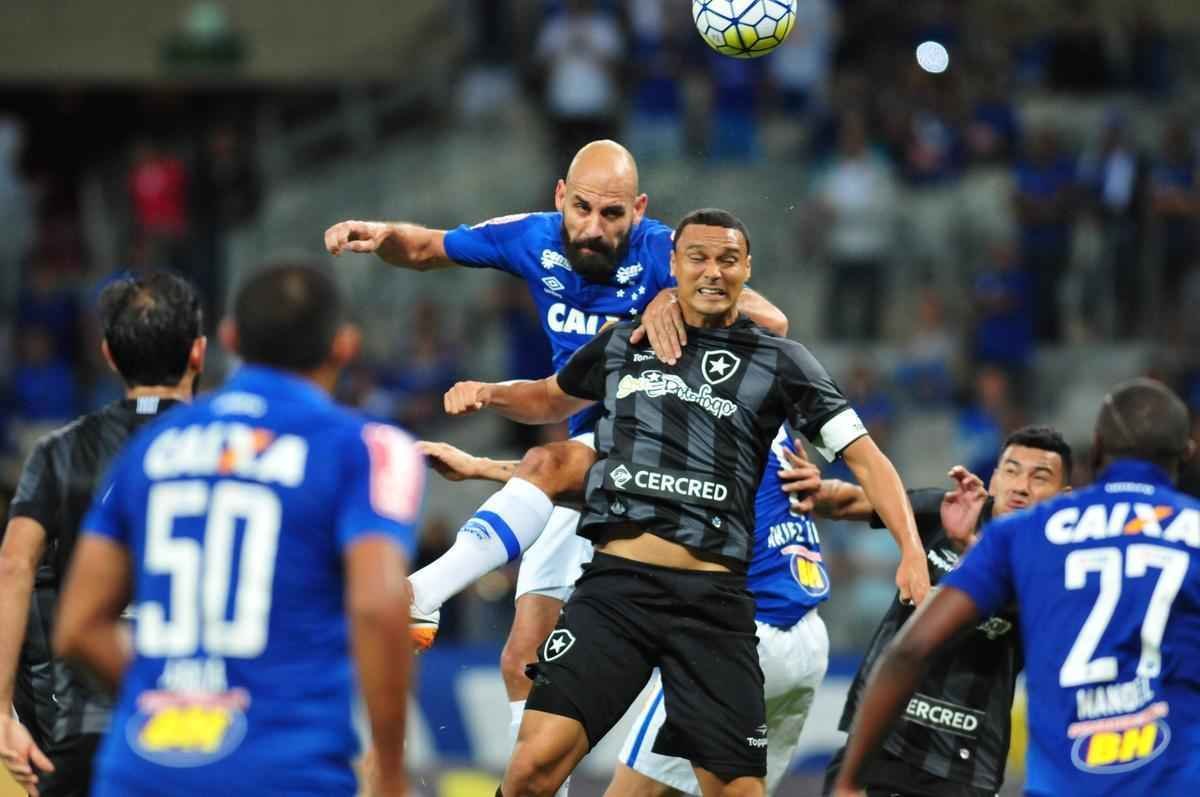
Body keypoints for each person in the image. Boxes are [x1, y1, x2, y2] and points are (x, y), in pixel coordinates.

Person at [429, 209, 924, 797]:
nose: (712, 272)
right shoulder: (625, 341)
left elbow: (867, 458)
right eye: (698, 258)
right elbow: (548, 400)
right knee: (531, 770)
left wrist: (911, 551)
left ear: (748, 270)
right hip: (617, 593)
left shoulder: (782, 363)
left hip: (713, 608)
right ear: (672, 266)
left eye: (727, 260)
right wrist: (487, 397)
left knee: (737, 792)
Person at [325, 140, 789, 759]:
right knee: (522, 659)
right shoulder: (532, 238)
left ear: (639, 210)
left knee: (547, 465)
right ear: (559, 199)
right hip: (591, 452)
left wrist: (675, 297)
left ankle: (422, 594)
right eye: (582, 209)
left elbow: (772, 323)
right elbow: (428, 248)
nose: (594, 229)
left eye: (613, 215)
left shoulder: (664, 253)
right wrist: (380, 233)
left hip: (670, 456)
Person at [52, 264, 424, 797]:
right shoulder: (366, 448)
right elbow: (376, 604)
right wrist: (389, 772)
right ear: (345, 346)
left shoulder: (153, 447)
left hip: (141, 773)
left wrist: (166, 697)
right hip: (286, 772)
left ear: (229, 339)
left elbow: (77, 625)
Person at [834, 378, 1200, 796]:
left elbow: (910, 651)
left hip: (1065, 781)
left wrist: (848, 780)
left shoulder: (1026, 533)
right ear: (1187, 453)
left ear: (1096, 448)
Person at [0, 272, 206, 797]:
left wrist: (2, 712)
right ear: (199, 352)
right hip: (206, 724)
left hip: (86, 729)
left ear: (109, 355)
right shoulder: (239, 449)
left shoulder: (59, 451)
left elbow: (13, 566)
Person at [818, 426, 1073, 797]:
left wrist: (972, 551)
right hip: (878, 744)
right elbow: (849, 502)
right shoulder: (946, 510)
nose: (1021, 486)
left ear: (1064, 498)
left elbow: (1026, 606)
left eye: (1040, 477)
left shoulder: (1058, 564)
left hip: (962, 765)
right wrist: (810, 490)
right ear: (995, 477)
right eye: (1012, 470)